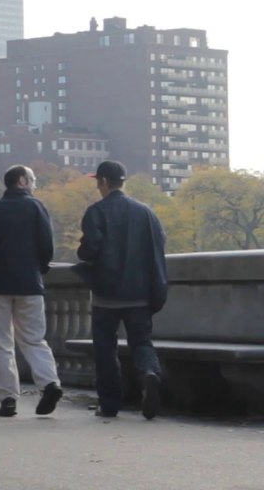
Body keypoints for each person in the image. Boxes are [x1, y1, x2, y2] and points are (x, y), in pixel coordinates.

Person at [76, 160, 168, 420]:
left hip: (106, 295)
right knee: (141, 342)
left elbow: (89, 249)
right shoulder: (146, 212)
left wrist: (83, 254)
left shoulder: (97, 211)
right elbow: (159, 245)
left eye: (97, 181)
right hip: (140, 293)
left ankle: (109, 404)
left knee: (105, 349)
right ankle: (149, 372)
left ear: (104, 181)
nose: (97, 186)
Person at [0, 165, 62, 417]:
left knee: (0, 342)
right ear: (22, 181)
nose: (34, 184)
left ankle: (8, 398)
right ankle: (49, 383)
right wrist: (38, 268)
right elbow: (47, 245)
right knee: (33, 339)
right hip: (30, 284)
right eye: (33, 180)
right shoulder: (36, 207)